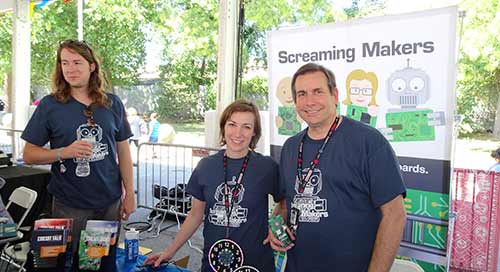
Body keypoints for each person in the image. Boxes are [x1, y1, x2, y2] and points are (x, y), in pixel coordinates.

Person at [267, 63, 407, 272]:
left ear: (334, 95)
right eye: (302, 94)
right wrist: (275, 224)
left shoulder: (368, 141)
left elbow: (395, 215)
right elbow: (286, 202)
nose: (310, 101)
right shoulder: (290, 147)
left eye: (318, 92)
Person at [21, 39, 135, 271]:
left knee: (101, 261)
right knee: (67, 264)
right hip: (70, 204)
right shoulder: (50, 105)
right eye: (65, 63)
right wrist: (64, 152)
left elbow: (123, 151)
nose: (70, 69)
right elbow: (29, 154)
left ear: (92, 66)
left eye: (77, 62)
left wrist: (129, 192)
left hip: (108, 203)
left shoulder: (112, 103)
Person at [144, 99, 283, 271]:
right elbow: (195, 214)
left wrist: (275, 224)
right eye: (232, 124)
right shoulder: (206, 166)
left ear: (254, 132)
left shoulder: (267, 167)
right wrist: (169, 252)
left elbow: (284, 200)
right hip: (215, 261)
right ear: (224, 127)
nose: (238, 133)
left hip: (255, 262)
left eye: (246, 127)